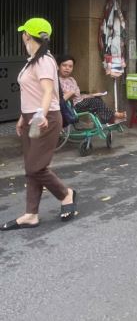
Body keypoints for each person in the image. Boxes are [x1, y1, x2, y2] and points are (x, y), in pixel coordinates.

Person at [1, 18, 76, 231]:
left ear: (28, 35)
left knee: (36, 166)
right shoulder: (33, 59)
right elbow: (30, 93)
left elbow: (46, 91)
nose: (22, 36)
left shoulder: (44, 61)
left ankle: (65, 194)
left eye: (23, 32)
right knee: (31, 167)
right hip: (31, 118)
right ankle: (31, 214)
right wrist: (22, 118)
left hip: (45, 119)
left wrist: (40, 115)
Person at [57, 55, 126, 123]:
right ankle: (112, 117)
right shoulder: (56, 81)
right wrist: (70, 93)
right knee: (95, 101)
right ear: (58, 66)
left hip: (80, 103)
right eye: (64, 65)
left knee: (97, 98)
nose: (67, 68)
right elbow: (60, 99)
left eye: (70, 66)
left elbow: (79, 96)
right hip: (71, 107)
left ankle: (109, 118)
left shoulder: (72, 80)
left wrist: (93, 94)